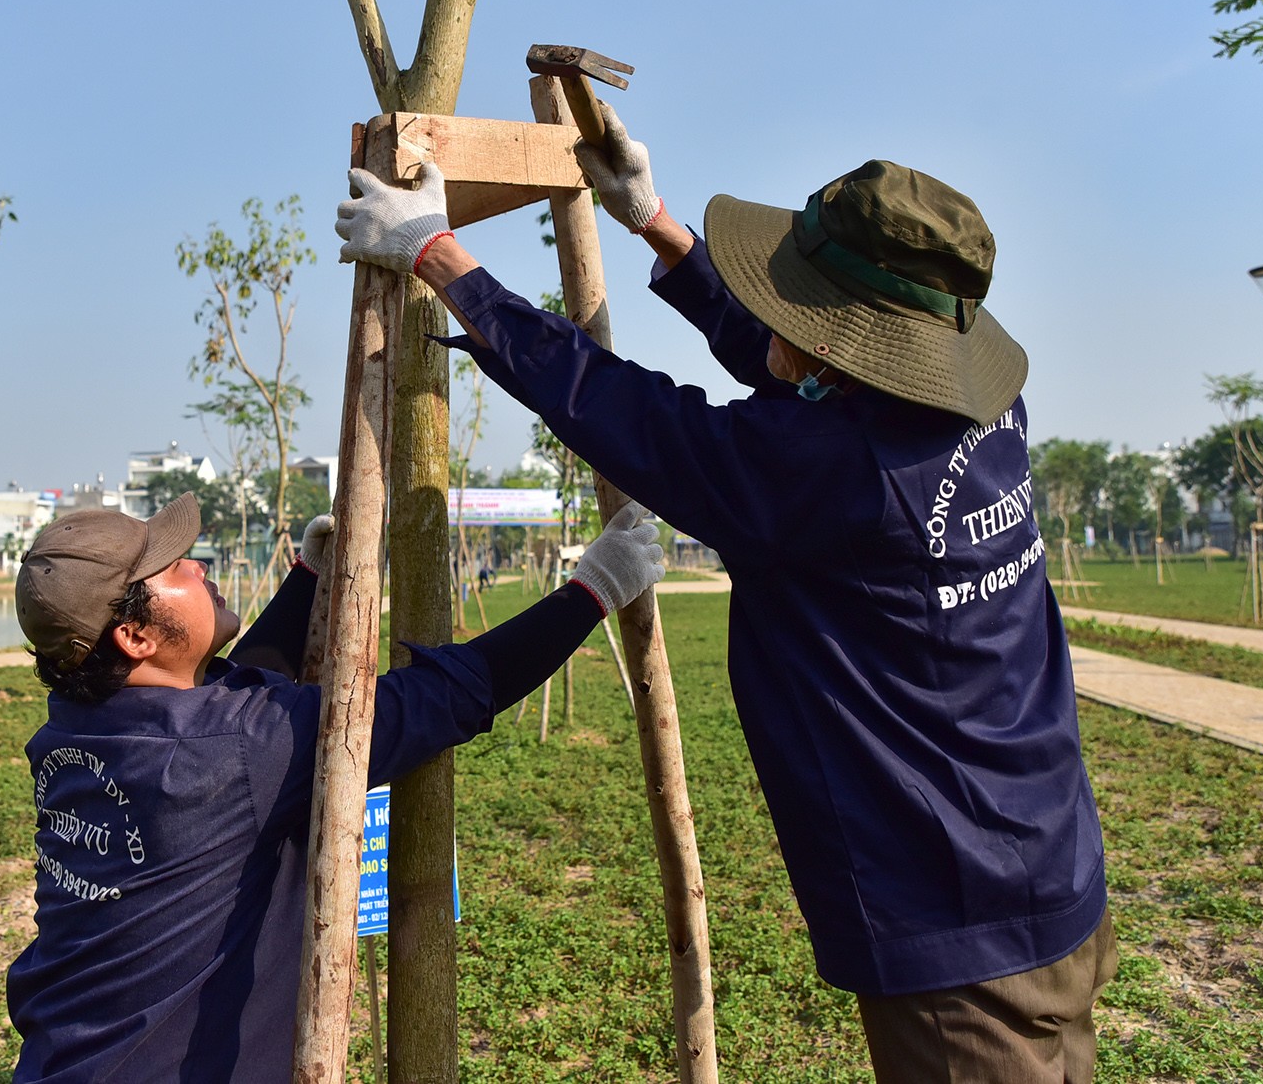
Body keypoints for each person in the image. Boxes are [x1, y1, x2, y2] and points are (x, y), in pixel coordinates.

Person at [337, 125, 1114, 1084]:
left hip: (959, 927)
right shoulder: (983, 413)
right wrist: (659, 229)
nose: (776, 309)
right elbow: (799, 368)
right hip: (1050, 865)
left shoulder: (829, 472)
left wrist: (439, 256)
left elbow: (629, 414)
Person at [5, 492, 663, 1083]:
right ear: (135, 634)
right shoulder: (233, 752)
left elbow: (226, 698)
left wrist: (309, 577)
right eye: (177, 569)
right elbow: (447, 694)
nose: (199, 566)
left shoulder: (76, 728)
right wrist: (593, 590)